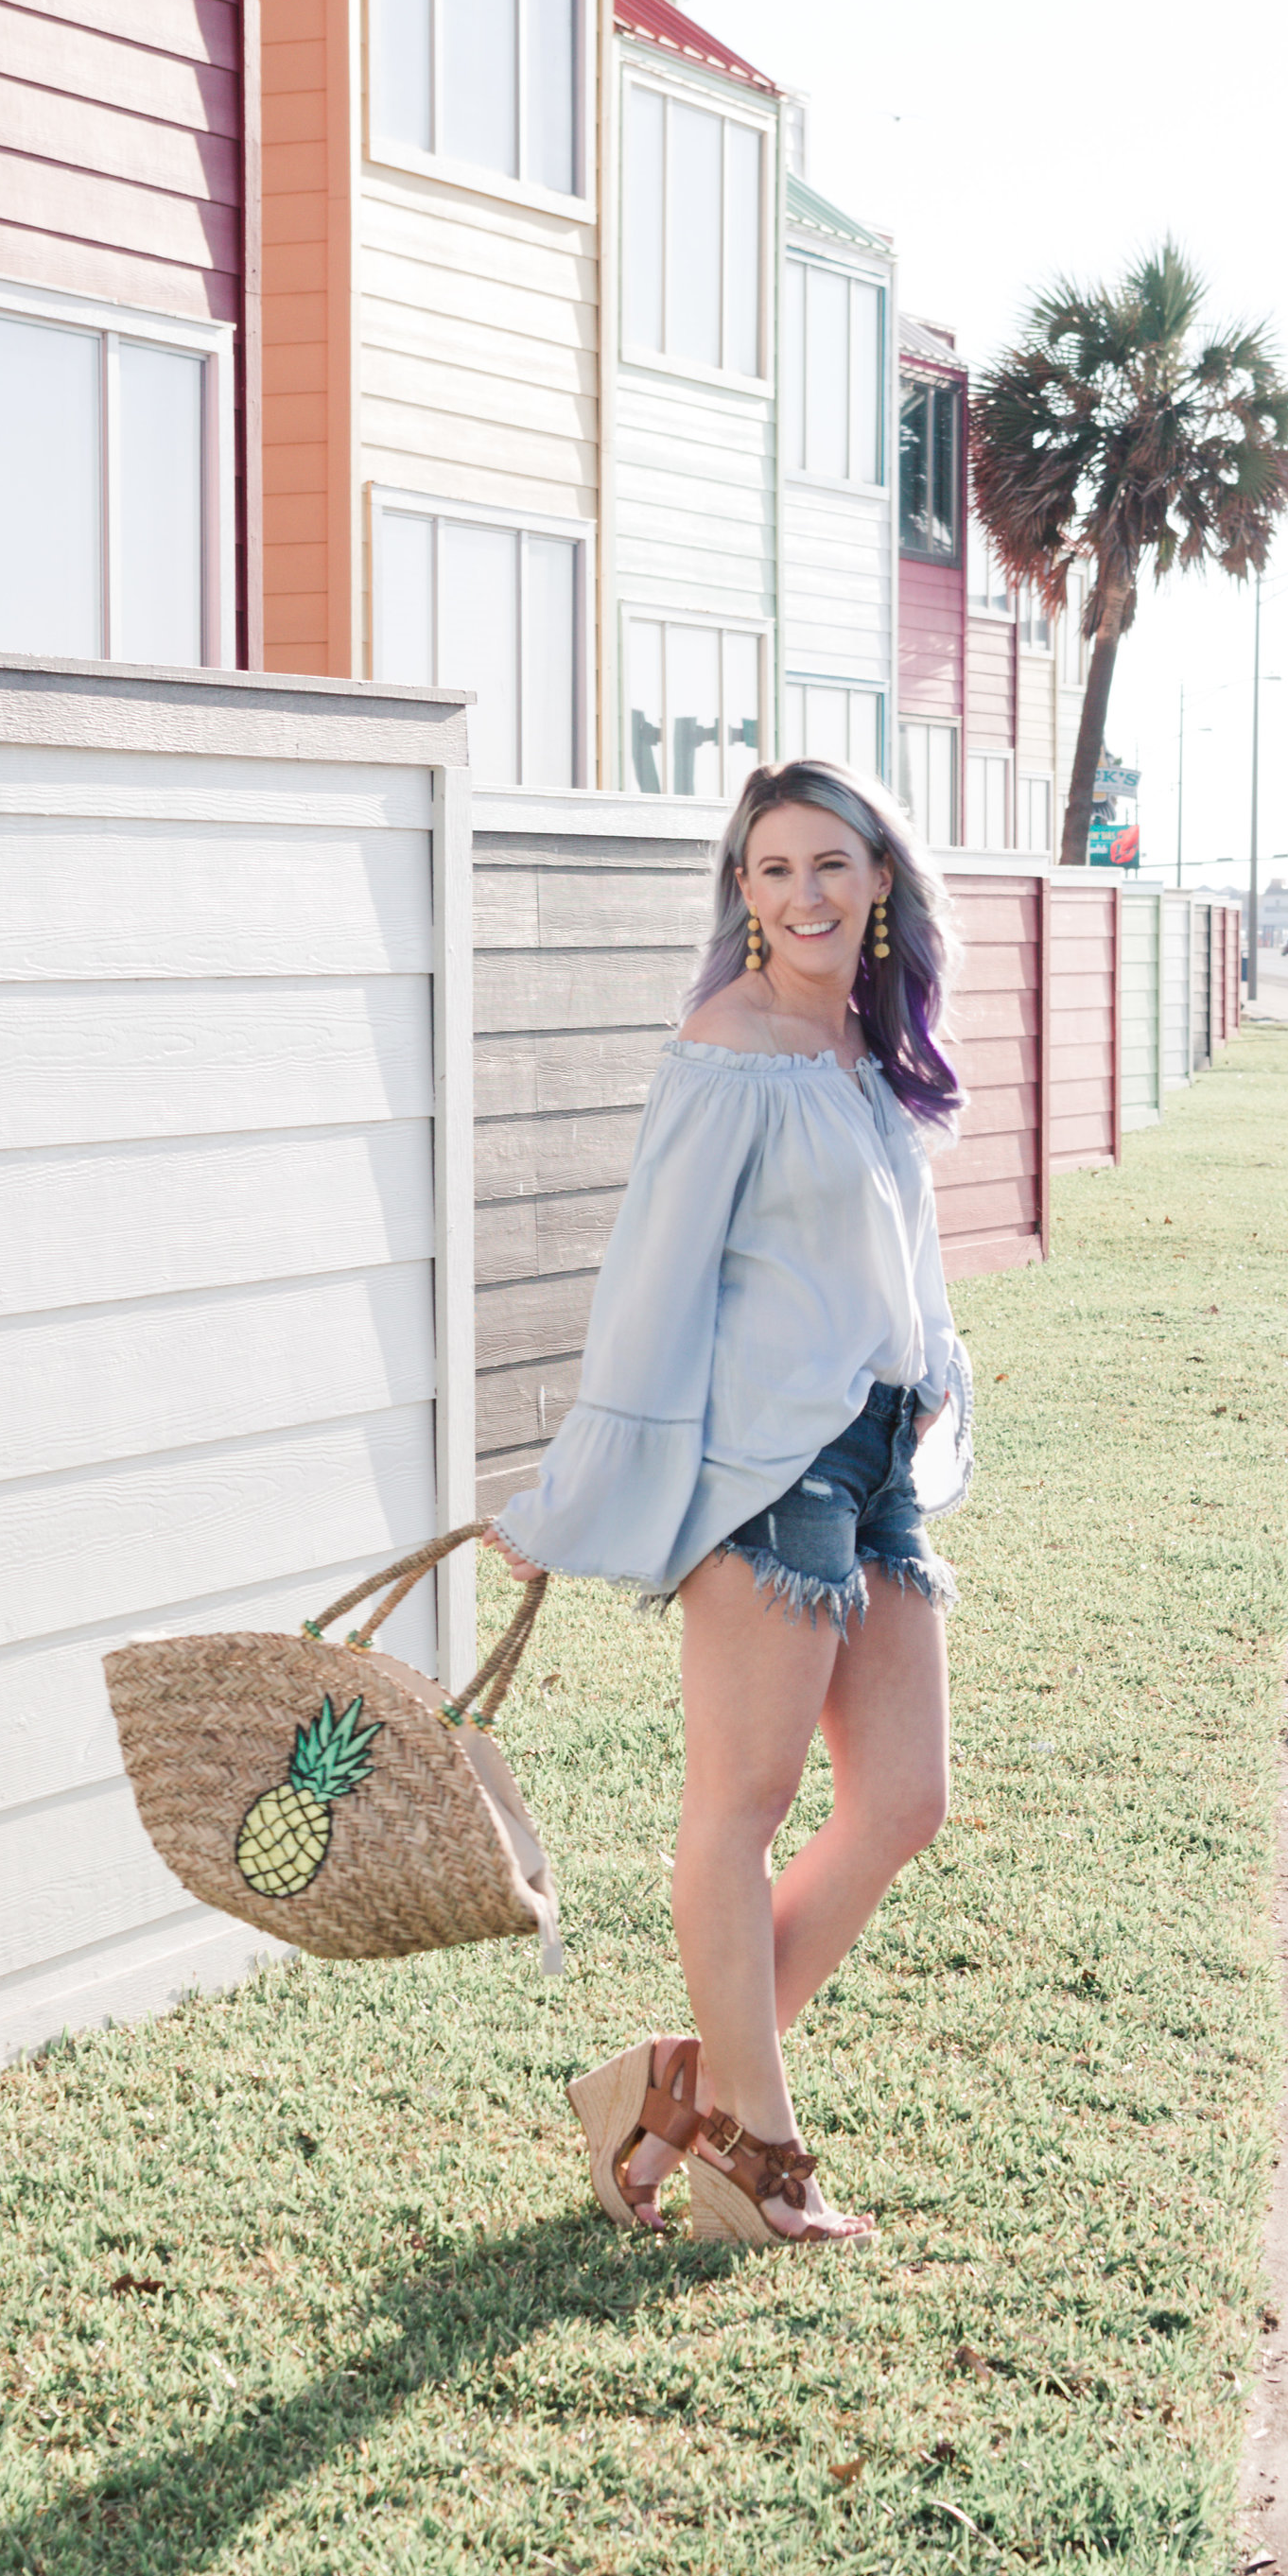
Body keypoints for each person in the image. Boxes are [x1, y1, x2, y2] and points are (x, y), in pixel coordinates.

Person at [489, 758, 972, 2249]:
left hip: (879, 1464)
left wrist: (935, 1376)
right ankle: (754, 2158)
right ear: (744, 896)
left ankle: (675, 2091)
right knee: (740, 1809)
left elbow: (886, 1271)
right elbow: (652, 1287)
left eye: (829, 865)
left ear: (882, 879)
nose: (803, 896)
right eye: (771, 871)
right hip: (773, 1476)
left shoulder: (863, 1059)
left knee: (903, 1802)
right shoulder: (732, 1045)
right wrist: (581, 1488)